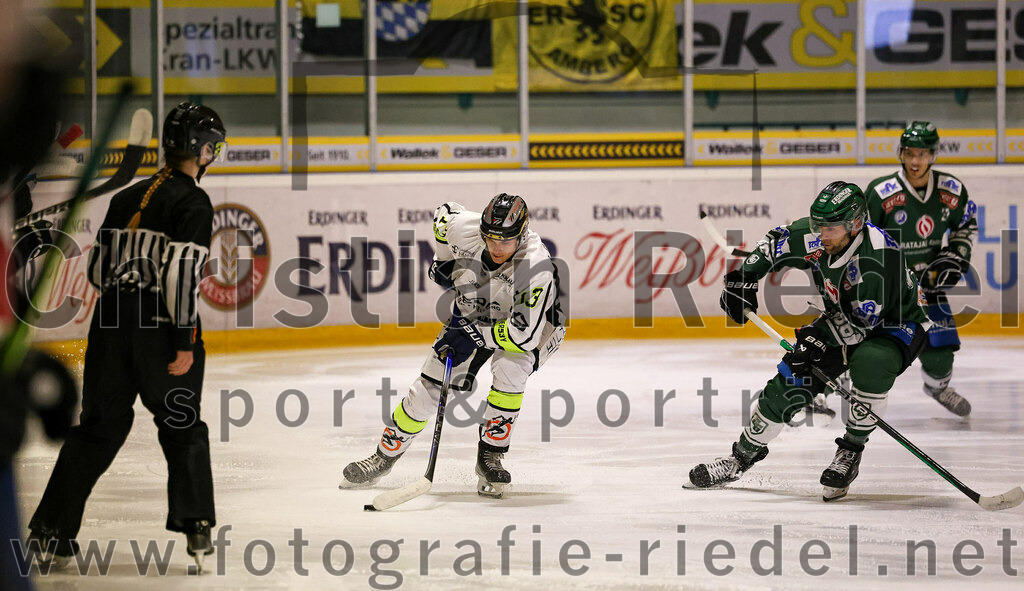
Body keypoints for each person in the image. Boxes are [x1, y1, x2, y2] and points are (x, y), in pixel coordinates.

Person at [26, 102, 226, 569]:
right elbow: (179, 273)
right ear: (201, 150)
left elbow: (97, 271)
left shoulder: (123, 197)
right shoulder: (192, 201)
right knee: (182, 426)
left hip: (110, 326)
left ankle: (50, 530)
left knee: (98, 428)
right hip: (160, 327)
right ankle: (197, 530)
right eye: (214, 145)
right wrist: (181, 341)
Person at [688, 181, 930, 502]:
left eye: (832, 229)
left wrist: (816, 338)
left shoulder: (876, 259)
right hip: (842, 316)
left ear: (856, 224)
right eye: (820, 227)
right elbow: (775, 243)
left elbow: (860, 326)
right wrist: (743, 278)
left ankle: (850, 451)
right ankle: (739, 458)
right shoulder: (820, 236)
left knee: (871, 362)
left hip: (896, 324)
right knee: (788, 384)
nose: (823, 235)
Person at [340, 193, 565, 498]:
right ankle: (382, 456)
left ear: (522, 235)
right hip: (478, 305)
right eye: (491, 238)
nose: (497, 247)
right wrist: (442, 259)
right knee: (428, 387)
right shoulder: (464, 229)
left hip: (535, 323)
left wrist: (476, 335)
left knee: (511, 367)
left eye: (506, 241)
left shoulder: (535, 266)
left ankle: (490, 456)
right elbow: (443, 214)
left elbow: (522, 335)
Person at [865, 121, 977, 417]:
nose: (916, 161)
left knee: (941, 354)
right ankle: (824, 391)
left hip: (930, 281)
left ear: (934, 155)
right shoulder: (881, 192)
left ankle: (938, 387)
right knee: (858, 338)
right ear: (900, 153)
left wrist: (956, 253)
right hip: (889, 285)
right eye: (910, 153)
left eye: (923, 154)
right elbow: (862, 237)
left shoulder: (951, 189)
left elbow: (966, 225)